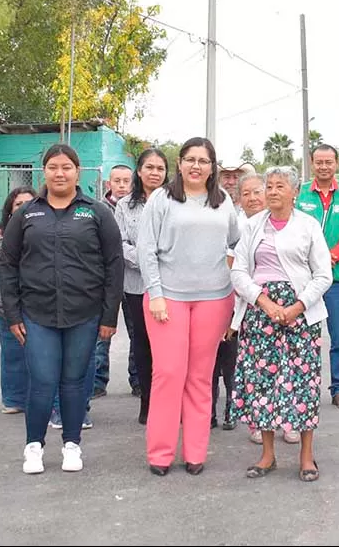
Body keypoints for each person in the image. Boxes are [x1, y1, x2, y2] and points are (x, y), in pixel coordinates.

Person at [0, 144, 123, 475]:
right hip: (37, 314)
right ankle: (34, 447)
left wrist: (109, 316)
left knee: (73, 381)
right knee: (41, 381)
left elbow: (114, 264)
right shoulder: (27, 214)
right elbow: (8, 263)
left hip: (84, 313)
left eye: (66, 167)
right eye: (53, 167)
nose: (59, 173)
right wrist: (13, 314)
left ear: (77, 172)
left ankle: (72, 444)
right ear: (44, 172)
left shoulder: (96, 212)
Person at [138, 137, 240, 476]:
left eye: (204, 160)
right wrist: (155, 293)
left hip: (214, 298)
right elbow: (146, 249)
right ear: (179, 163)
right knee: (168, 374)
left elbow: (237, 242)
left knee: (199, 376)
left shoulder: (223, 201)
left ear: (213, 167)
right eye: (190, 159)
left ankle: (195, 452)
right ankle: (161, 453)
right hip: (167, 299)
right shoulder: (161, 200)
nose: (197, 166)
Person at [230, 166, 333, 482]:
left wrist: (297, 307)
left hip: (301, 313)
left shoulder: (308, 226)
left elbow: (323, 275)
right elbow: (239, 273)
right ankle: (267, 455)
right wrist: (265, 302)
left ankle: (306, 456)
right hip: (261, 312)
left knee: (302, 382)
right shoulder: (251, 226)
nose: (272, 192)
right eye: (268, 186)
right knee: (263, 382)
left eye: (279, 187)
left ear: (294, 192)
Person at [296, 144, 339, 410]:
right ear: (312, 163)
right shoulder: (300, 193)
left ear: (336, 164)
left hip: (337, 277)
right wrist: (313, 261)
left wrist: (330, 257)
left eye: (329, 162)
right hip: (304, 277)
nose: (324, 166)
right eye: (319, 162)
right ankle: (304, 387)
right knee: (304, 334)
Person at [115, 148, 169, 425]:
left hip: (172, 286)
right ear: (139, 170)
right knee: (143, 344)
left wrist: (165, 262)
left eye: (160, 168)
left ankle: (169, 401)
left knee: (169, 347)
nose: (155, 173)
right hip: (137, 286)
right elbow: (121, 244)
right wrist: (149, 262)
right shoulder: (125, 206)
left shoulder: (175, 202)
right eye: (149, 167)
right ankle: (147, 401)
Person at [215, 171, 266, 434]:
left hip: (278, 305)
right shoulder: (236, 224)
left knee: (277, 366)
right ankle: (252, 420)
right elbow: (230, 263)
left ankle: (285, 420)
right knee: (246, 364)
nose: (252, 198)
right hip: (242, 303)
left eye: (257, 192)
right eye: (246, 194)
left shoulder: (281, 223)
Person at [0, 187, 37, 415]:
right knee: (12, 352)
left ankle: (37, 398)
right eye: (18, 204)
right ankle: (14, 398)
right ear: (10, 209)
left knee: (37, 353)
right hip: (5, 303)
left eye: (29, 202)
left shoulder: (44, 230)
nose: (24, 207)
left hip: (36, 304)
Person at [96, 164, 137, 398]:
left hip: (132, 277)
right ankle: (97, 382)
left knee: (136, 332)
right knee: (102, 332)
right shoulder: (98, 209)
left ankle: (138, 380)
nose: (122, 186)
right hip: (105, 281)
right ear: (108, 184)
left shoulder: (139, 208)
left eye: (126, 181)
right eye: (117, 181)